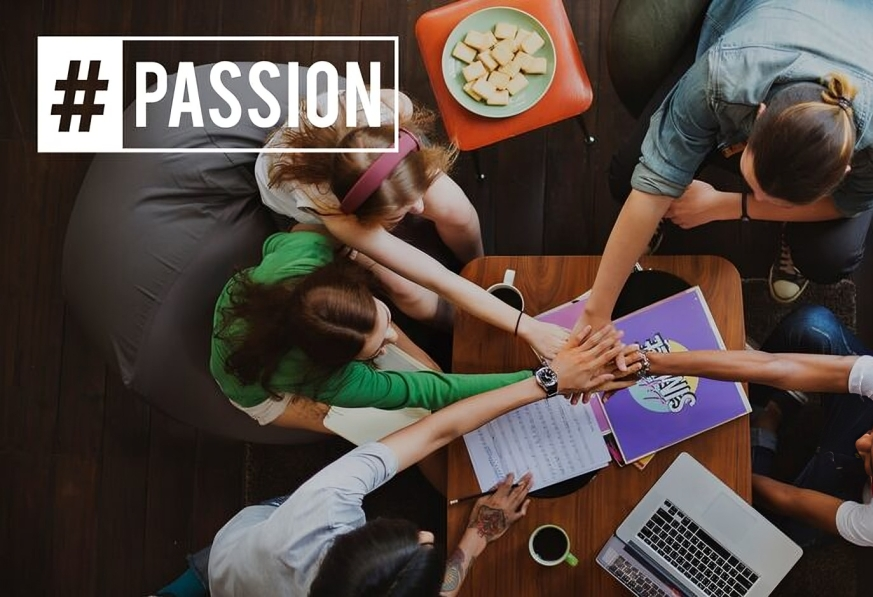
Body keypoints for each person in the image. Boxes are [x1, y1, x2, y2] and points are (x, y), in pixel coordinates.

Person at [155, 324, 637, 597]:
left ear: (349, 538)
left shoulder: (321, 504)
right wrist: (474, 538)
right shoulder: (328, 505)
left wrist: (548, 381)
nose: (429, 532)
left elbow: (436, 428)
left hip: (231, 560)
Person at [586, 0, 873, 335]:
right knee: (627, 178)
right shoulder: (726, 75)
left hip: (865, 39)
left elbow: (846, 203)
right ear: (759, 116)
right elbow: (653, 183)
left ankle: (789, 231)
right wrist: (595, 314)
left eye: (781, 203)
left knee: (830, 258)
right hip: (755, 27)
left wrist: (728, 205)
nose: (757, 194)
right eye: (751, 180)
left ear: (842, 174)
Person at [257, 87, 568, 359]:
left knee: (457, 211)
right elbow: (433, 277)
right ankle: (458, 324)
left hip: (374, 157)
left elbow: (402, 115)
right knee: (403, 287)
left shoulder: (390, 110)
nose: (420, 208)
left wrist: (478, 276)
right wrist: (525, 326)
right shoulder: (330, 208)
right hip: (313, 205)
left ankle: (479, 265)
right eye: (400, 212)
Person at [629, 305, 873, 548]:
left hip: (853, 491)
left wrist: (716, 470)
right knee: (812, 326)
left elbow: (791, 500)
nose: (860, 443)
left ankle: (768, 423)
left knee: (759, 529)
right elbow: (778, 366)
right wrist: (651, 363)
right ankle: (764, 402)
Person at [212, 228, 542, 431]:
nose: (395, 337)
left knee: (430, 369)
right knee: (409, 421)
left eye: (383, 322)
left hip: (309, 327)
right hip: (255, 387)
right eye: (378, 344)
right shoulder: (329, 381)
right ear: (340, 363)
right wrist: (537, 378)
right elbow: (432, 392)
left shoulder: (303, 254)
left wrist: (352, 249)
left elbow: (280, 240)